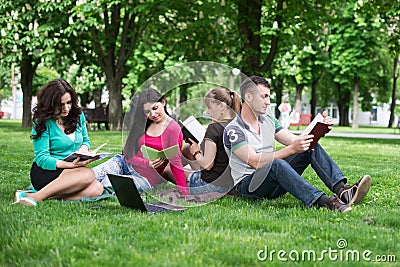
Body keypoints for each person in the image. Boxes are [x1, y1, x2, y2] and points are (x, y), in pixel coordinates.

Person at [223, 76, 371, 212]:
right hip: (248, 187)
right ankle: (325, 201)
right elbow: (255, 162)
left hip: (273, 183)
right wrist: (291, 150)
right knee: (277, 164)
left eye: (268, 96)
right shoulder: (234, 129)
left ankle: (343, 191)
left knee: (309, 146)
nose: (268, 102)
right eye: (264, 96)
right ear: (248, 97)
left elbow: (295, 141)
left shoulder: (268, 121)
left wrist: (320, 129)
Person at [14, 78, 104, 206]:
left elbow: (86, 140)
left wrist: (84, 148)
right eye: (61, 104)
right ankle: (36, 197)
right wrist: (69, 165)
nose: (66, 108)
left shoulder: (78, 116)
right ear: (51, 104)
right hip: (47, 170)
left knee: (97, 189)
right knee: (88, 174)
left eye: (69, 102)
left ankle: (31, 195)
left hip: (72, 169)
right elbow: (42, 158)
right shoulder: (42, 122)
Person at [92, 88, 189, 195]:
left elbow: (176, 163)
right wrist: (146, 163)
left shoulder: (173, 129)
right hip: (123, 163)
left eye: (155, 108)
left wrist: (184, 192)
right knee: (92, 176)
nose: (153, 114)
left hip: (144, 178)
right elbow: (127, 154)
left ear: (163, 102)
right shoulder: (142, 122)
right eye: (147, 111)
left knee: (106, 185)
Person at [182, 88, 241, 195]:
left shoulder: (214, 128)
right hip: (231, 184)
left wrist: (196, 152)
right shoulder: (237, 125)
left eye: (209, 107)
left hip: (211, 186)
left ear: (222, 106)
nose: (207, 111)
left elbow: (207, 165)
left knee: (169, 171)